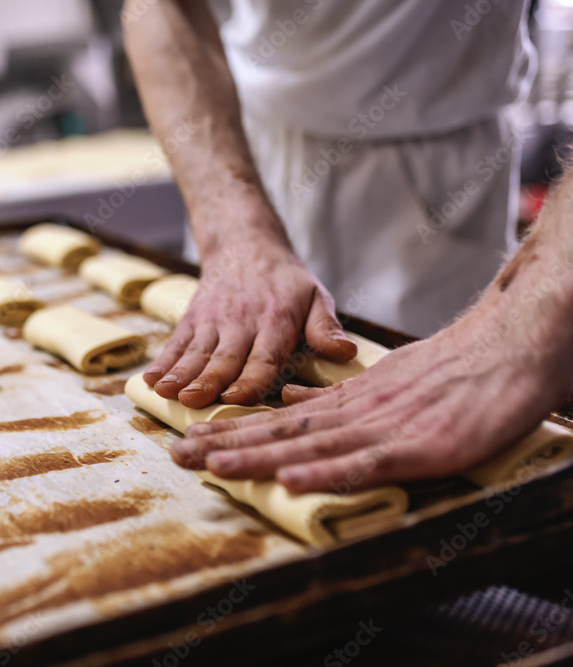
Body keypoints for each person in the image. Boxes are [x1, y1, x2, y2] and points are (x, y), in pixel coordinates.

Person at [123, 0, 573, 490]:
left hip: (437, 172)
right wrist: (234, 233)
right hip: (244, 154)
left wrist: (531, 313)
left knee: (453, 465)